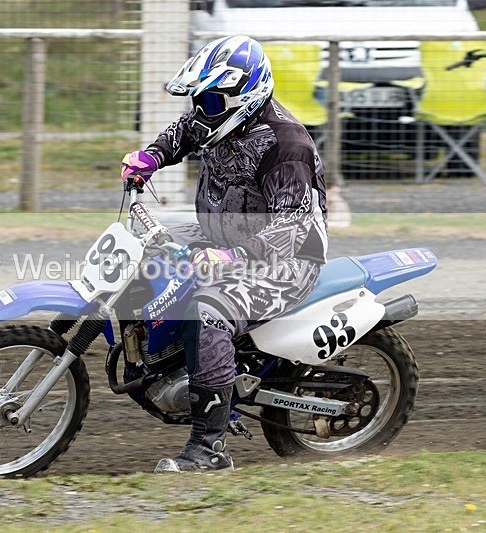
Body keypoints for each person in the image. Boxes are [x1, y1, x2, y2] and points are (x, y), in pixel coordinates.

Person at [120, 35, 329, 473]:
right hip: (222, 236)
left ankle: (209, 448)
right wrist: (151, 157)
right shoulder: (220, 117)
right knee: (143, 252)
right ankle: (162, 361)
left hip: (284, 261)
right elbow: (186, 132)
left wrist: (230, 257)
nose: (202, 109)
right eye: (200, 99)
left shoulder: (287, 147)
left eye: (210, 100)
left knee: (208, 311)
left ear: (245, 96)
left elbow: (290, 230)